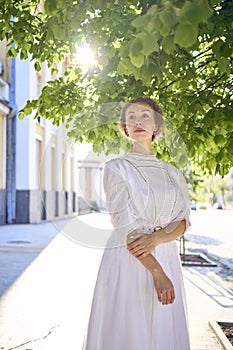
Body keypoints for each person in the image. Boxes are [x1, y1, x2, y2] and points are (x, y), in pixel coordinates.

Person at [83, 97, 191, 350]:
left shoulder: (173, 173)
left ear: (156, 125)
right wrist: (156, 271)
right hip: (129, 257)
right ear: (125, 128)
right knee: (128, 330)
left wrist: (156, 239)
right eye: (131, 117)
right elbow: (123, 224)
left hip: (166, 254)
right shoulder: (117, 168)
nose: (137, 121)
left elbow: (184, 221)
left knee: (163, 329)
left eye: (145, 116)